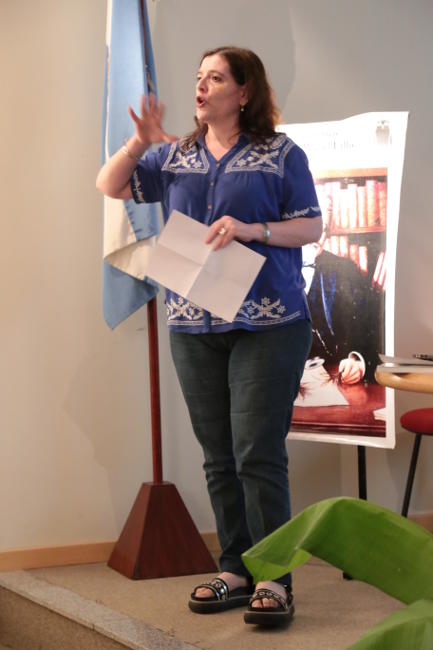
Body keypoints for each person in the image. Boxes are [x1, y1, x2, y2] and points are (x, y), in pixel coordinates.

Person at [96, 46, 322, 627]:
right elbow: (110, 184)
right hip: (193, 323)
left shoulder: (280, 153)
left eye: (215, 77)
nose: (202, 86)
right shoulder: (175, 155)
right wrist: (141, 140)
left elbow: (313, 224)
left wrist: (253, 228)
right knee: (219, 455)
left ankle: (275, 577)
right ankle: (236, 569)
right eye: (198, 77)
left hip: (268, 324)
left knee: (256, 452)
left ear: (244, 92)